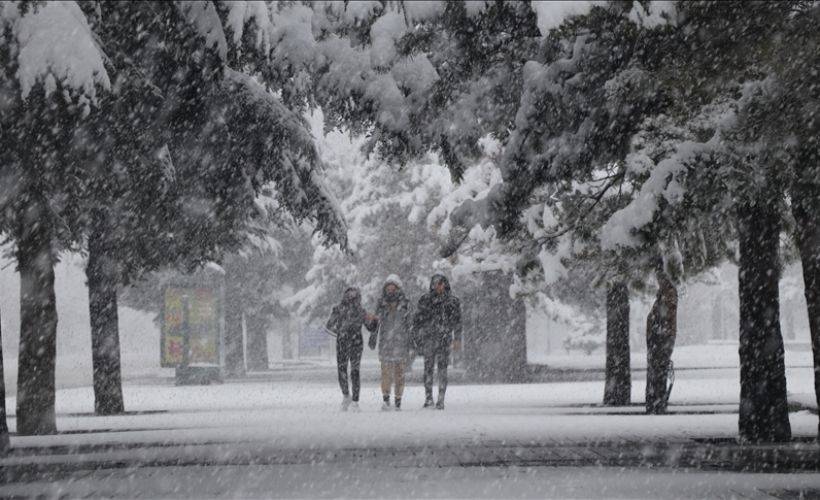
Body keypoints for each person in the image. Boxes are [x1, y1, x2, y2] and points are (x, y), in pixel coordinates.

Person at [413, 274, 461, 410]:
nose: (438, 286)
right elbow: (417, 320)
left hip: (444, 339)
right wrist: (417, 337)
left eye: (440, 284)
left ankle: (441, 398)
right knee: (428, 368)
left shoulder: (452, 301)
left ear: (445, 284)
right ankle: (428, 398)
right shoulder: (425, 300)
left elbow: (458, 322)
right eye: (435, 284)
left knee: (442, 369)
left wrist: (457, 338)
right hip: (429, 339)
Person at [367, 275, 413, 411]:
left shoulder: (405, 303)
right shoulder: (381, 303)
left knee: (400, 374)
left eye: (393, 286)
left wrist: (412, 341)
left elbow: (410, 324)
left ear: (398, 288)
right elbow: (375, 323)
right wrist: (373, 336)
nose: (391, 289)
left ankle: (398, 400)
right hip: (386, 343)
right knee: (386, 374)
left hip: (401, 343)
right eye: (388, 286)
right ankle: (386, 400)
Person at [326, 287, 374, 412]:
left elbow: (370, 327)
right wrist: (341, 331)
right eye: (350, 296)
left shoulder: (361, 311)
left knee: (354, 371)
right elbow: (329, 325)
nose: (352, 298)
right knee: (342, 370)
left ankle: (355, 401)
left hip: (355, 342)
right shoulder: (339, 309)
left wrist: (373, 321)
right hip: (343, 342)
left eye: (354, 296)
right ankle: (346, 395)